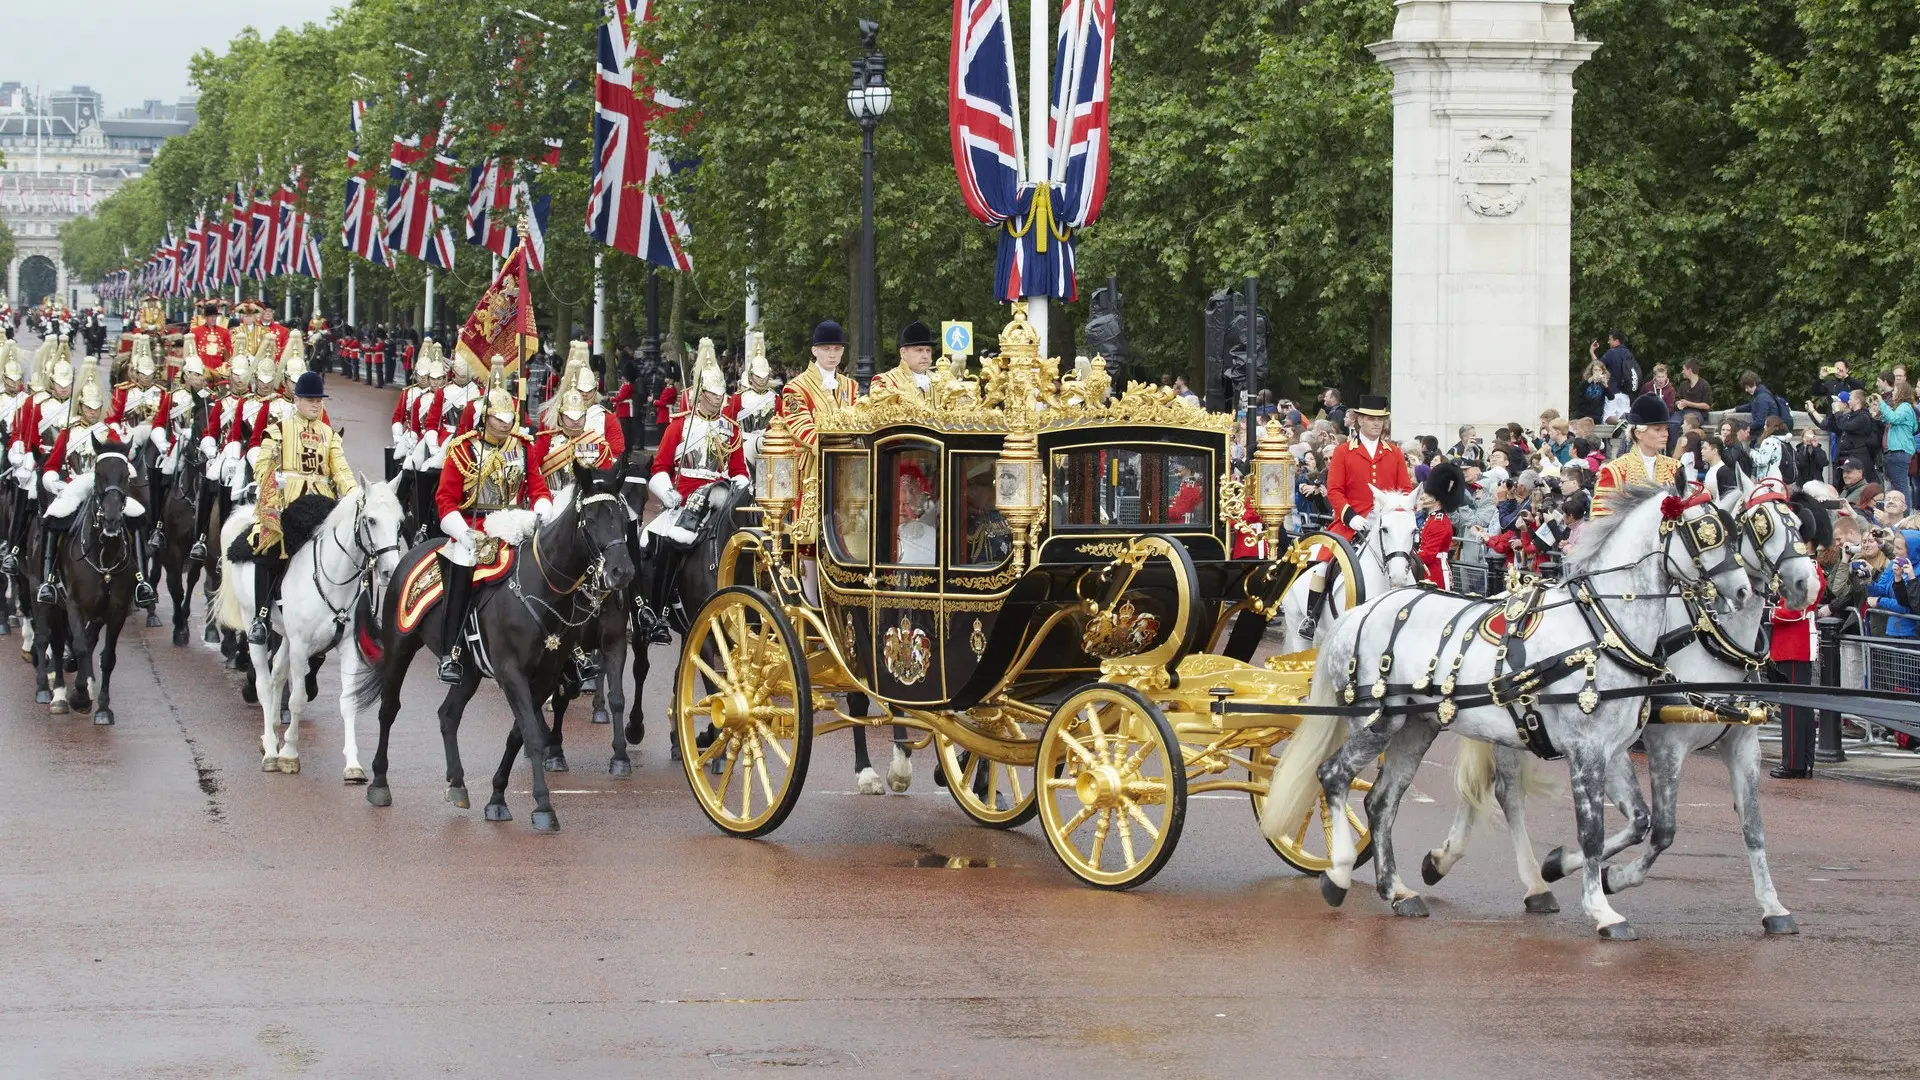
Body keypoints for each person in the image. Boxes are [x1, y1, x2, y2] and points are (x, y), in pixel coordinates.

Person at [434, 367, 554, 683]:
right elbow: (445, 500)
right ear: (485, 418)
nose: (505, 424)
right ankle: (452, 651)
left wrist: (541, 511)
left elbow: (538, 489)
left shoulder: (523, 447)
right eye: (499, 418)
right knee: (462, 566)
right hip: (475, 526)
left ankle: (565, 646)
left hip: (516, 523)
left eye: (508, 418)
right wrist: (464, 533)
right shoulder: (462, 448)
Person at [638, 358, 747, 645]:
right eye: (712, 395)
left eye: (721, 395)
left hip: (721, 499)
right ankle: (659, 611)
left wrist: (740, 491)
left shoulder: (732, 429)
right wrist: (666, 492)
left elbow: (739, 472)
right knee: (659, 541)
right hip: (684, 500)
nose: (717, 400)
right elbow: (659, 467)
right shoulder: (679, 427)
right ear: (700, 394)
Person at [244, 373, 356, 644]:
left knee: (352, 545)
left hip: (321, 503)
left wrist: (355, 495)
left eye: (318, 400)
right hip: (287, 501)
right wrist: (274, 483)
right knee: (268, 543)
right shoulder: (278, 430)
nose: (315, 405)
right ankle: (261, 616)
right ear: (296, 400)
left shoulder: (329, 435)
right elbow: (261, 467)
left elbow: (341, 471)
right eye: (309, 399)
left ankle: (355, 609)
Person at [1298, 393, 1411, 638]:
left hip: (1386, 524)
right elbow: (1336, 490)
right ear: (1359, 420)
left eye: (1380, 419)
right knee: (1323, 565)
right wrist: (1350, 516)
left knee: (1413, 563)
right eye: (1371, 418)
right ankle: (1311, 616)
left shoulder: (1395, 453)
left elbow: (1405, 490)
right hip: (1351, 523)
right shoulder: (1343, 452)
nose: (1376, 423)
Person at [39, 380, 155, 608]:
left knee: (137, 516)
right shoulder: (68, 432)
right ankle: (49, 580)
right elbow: (51, 465)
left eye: (96, 407)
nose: (92, 412)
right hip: (75, 489)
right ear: (80, 406)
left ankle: (142, 580)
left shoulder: (108, 432)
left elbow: (123, 461)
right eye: (88, 407)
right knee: (53, 517)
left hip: (104, 491)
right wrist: (54, 482)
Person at [1594, 394, 1683, 513]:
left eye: (1666, 428)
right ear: (1638, 433)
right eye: (1658, 429)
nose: (1665, 434)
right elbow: (1601, 519)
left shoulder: (1676, 467)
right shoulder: (1614, 471)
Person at [722, 333, 781, 473]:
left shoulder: (775, 398)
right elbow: (727, 421)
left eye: (765, 376)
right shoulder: (739, 398)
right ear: (750, 376)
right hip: (743, 444)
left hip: (769, 445)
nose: (761, 380)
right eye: (758, 376)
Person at [1417, 461, 1467, 588]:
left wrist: (1408, 557)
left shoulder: (1440, 522)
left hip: (1434, 573)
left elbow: (1428, 554)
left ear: (1438, 498)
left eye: (1428, 494)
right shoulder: (1433, 518)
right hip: (1427, 570)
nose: (1423, 496)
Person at [1862, 527, 1918, 637]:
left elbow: (1908, 606)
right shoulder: (1894, 564)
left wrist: (1880, 601)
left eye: (1899, 548)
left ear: (1911, 550)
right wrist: (1868, 581)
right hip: (1892, 629)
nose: (1894, 551)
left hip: (1912, 632)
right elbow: (1880, 590)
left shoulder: (1916, 572)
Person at [871, 320, 938, 403]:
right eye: (919, 350)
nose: (925, 356)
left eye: (928, 350)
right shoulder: (885, 382)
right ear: (903, 353)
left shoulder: (941, 381)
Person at [1876, 382, 1917, 504]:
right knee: (1899, 485)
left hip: (1899, 451)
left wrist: (1881, 402)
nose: (1892, 393)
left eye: (1895, 391)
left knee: (1901, 486)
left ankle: (1905, 515)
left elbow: (1894, 418)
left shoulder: (1905, 406)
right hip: (1898, 451)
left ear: (1901, 393)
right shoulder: (1902, 407)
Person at [1732, 369, 1791, 440]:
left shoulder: (1762, 398)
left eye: (1747, 387)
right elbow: (1750, 406)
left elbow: (1760, 421)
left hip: (1767, 434)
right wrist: (1735, 409)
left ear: (1753, 383)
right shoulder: (1760, 394)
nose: (1746, 390)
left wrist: (1746, 427)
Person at [188, 299, 232, 383]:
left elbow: (229, 351)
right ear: (205, 317)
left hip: (218, 369)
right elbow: (193, 351)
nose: (213, 319)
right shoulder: (196, 331)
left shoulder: (224, 332)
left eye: (215, 316)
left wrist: (223, 350)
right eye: (210, 316)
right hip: (201, 368)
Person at [1591, 329, 1638, 396]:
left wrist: (1592, 351)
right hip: (1626, 395)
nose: (1608, 342)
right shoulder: (1629, 353)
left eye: (1610, 339)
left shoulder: (1611, 353)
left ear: (1616, 341)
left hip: (1613, 393)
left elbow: (1597, 366)